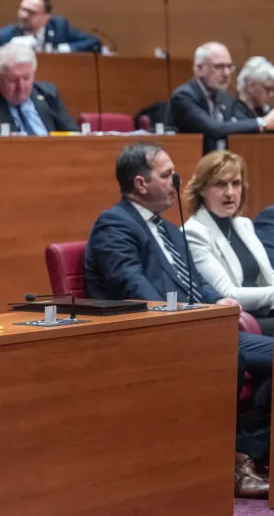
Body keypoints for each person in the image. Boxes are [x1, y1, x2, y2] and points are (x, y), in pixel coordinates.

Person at [83, 143, 272, 498]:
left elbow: (195, 281)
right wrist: (189, 318)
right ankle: (228, 461)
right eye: (168, 175)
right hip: (150, 335)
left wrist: (217, 300)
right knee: (233, 356)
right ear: (141, 184)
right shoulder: (115, 224)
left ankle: (244, 451)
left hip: (196, 329)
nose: (176, 182)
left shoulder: (168, 229)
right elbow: (133, 288)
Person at [183, 151, 274, 335]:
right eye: (220, 184)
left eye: (236, 183)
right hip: (237, 321)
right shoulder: (194, 232)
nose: (230, 193)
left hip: (265, 313)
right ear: (202, 189)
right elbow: (228, 294)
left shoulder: (244, 224)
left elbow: (269, 277)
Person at [170, 42, 274, 155]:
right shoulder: (184, 96)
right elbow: (214, 129)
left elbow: (232, 128)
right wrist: (263, 122)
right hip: (194, 161)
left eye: (229, 66)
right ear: (199, 68)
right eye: (219, 67)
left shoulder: (225, 97)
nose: (226, 73)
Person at [0, 40, 77, 135]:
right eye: (13, 80)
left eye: (26, 78)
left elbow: (74, 136)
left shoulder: (48, 94)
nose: (21, 87)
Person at [0, 0, 98, 53]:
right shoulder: (5, 36)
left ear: (46, 18)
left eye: (31, 12)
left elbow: (92, 42)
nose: (23, 15)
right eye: (22, 9)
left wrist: (62, 49)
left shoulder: (59, 26)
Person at [233, 56, 274, 120]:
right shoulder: (233, 112)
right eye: (268, 89)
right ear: (251, 86)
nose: (271, 94)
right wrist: (265, 122)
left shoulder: (263, 109)